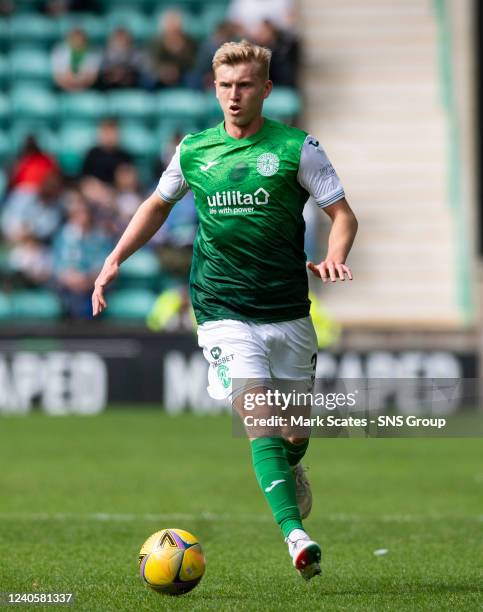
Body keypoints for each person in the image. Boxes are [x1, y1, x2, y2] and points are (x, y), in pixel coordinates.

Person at [92, 40, 358, 580]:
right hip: (220, 308)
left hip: (286, 311)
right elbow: (156, 205)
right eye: (224, 87)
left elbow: (343, 215)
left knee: (292, 431)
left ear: (265, 88)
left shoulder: (296, 147)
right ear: (214, 89)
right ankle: (296, 537)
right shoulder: (194, 150)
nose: (234, 97)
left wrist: (334, 255)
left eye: (243, 86)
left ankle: (294, 462)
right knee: (259, 419)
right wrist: (115, 257)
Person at [81, 119, 132, 186]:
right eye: (106, 133)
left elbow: (131, 181)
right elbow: (83, 179)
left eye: (112, 133)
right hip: (95, 191)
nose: (109, 137)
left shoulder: (125, 156)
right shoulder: (92, 154)